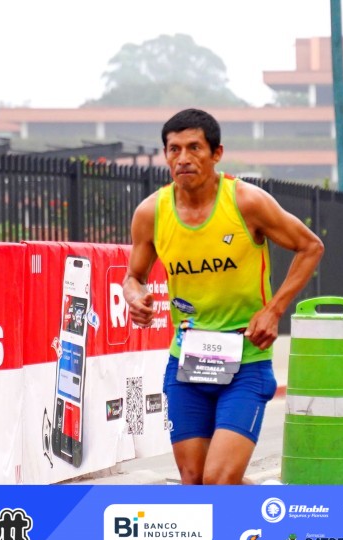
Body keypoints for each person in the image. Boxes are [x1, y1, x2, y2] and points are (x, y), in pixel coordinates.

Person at [122, 108, 324, 485]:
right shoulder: (151, 213)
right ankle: (268, 502)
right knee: (196, 482)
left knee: (218, 480)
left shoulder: (246, 201)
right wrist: (135, 297)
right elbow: (134, 276)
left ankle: (271, 509)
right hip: (187, 362)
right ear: (165, 155)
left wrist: (273, 310)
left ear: (216, 153)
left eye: (194, 148)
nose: (183, 158)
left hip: (246, 360)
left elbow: (310, 246)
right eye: (174, 149)